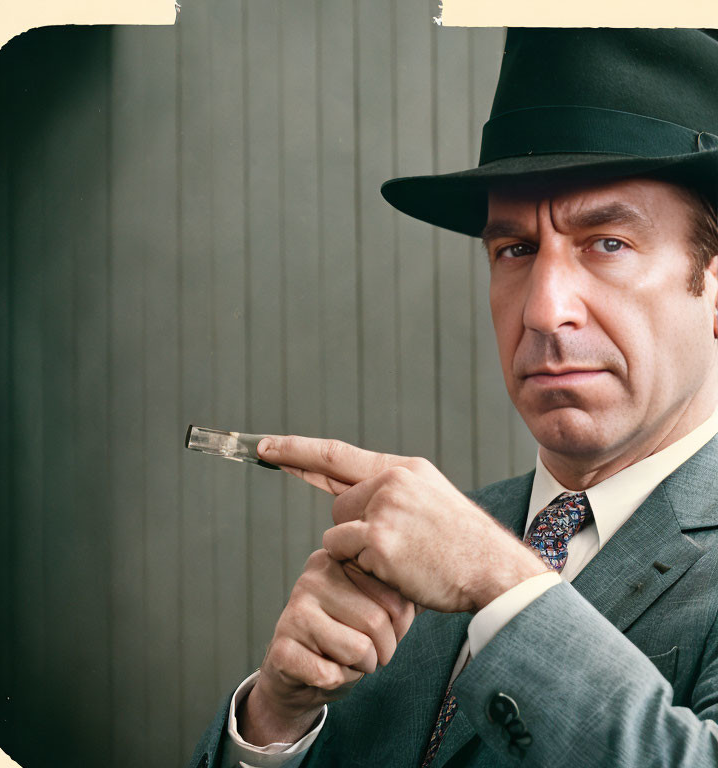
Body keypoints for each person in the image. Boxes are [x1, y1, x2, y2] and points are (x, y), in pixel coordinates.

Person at [189, 28, 718, 768]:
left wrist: (497, 580)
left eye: (607, 243)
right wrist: (278, 721)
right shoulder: (424, 547)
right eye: (515, 250)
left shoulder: (464, 552)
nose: (542, 310)